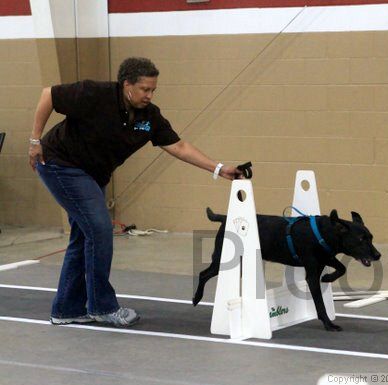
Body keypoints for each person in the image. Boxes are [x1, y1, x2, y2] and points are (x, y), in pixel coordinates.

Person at [29, 57, 243, 327]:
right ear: (126, 84)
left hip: (94, 174)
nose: (149, 95)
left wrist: (218, 168)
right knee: (99, 229)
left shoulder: (149, 116)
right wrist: (35, 141)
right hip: (61, 164)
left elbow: (178, 146)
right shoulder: (95, 93)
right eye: (144, 89)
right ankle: (102, 307)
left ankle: (66, 310)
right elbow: (48, 94)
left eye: (153, 90)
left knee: (85, 236)